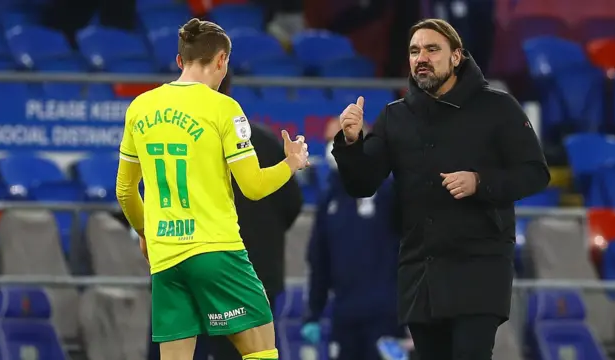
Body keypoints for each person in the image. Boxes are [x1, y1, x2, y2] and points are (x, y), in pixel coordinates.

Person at [331, 18, 550, 359]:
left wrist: (480, 181)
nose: (422, 57)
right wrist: (350, 141)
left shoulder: (498, 107)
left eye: (433, 49)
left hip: (480, 271)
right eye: (415, 51)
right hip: (422, 274)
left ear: (456, 57)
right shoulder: (395, 117)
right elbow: (362, 184)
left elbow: (536, 173)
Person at [115, 18, 309, 360]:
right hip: (217, 252)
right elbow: (253, 186)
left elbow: (125, 191)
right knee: (261, 350)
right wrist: (291, 163)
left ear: (180, 61)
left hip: (165, 256)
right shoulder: (224, 108)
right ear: (222, 61)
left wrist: (146, 232)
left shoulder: (139, 108)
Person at [194, 72, 304, 360]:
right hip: (256, 275)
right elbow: (292, 203)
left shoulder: (188, 145)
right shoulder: (264, 141)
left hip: (208, 274)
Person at [300, 118, 406, 360]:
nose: (332, 147)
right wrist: (313, 315)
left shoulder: (390, 193)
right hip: (345, 317)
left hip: (386, 316)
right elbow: (319, 262)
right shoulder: (329, 200)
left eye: (340, 139)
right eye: (329, 141)